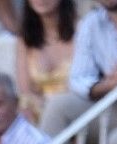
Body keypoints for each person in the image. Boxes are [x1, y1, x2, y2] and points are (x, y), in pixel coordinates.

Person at [15, 0, 81, 137]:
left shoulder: (82, 30)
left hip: (74, 107)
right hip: (38, 110)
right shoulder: (25, 38)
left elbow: (84, 83)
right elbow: (25, 91)